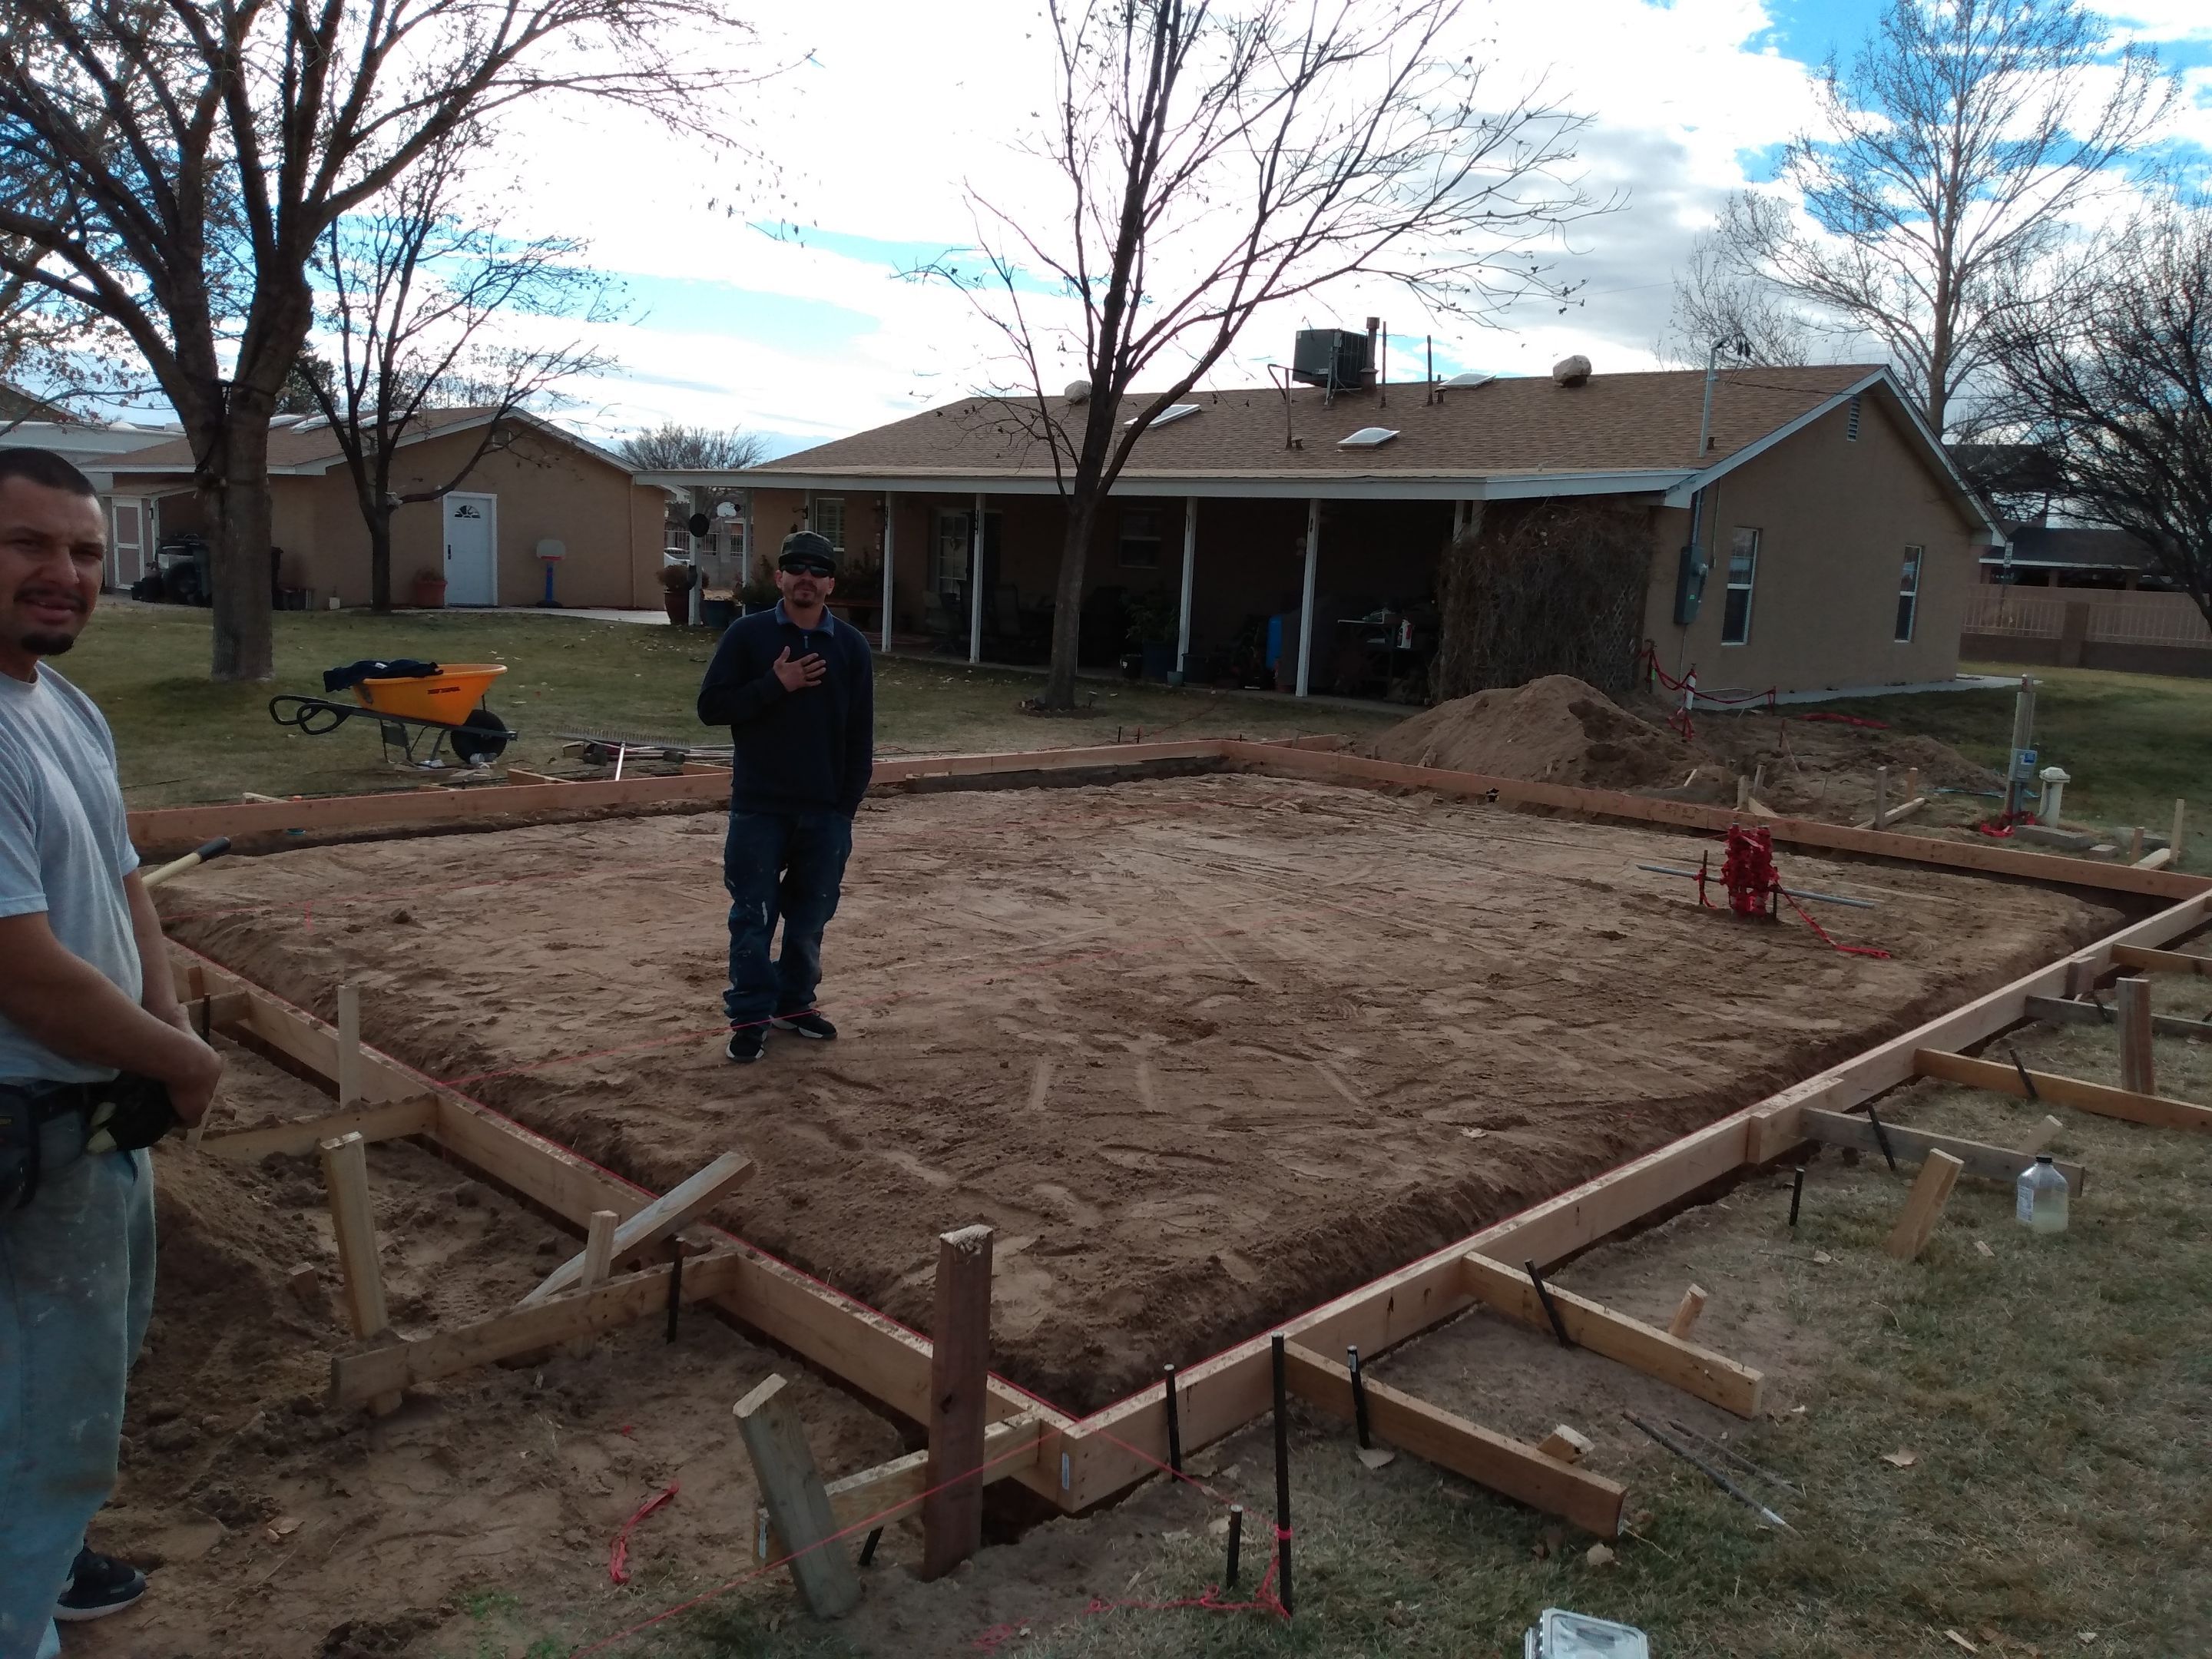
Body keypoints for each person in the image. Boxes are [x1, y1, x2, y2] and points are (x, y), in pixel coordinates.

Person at [0, 450, 224, 1657]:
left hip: (88, 1124)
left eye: (85, 552)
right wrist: (184, 1068)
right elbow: (24, 973)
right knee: (45, 1408)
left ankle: (40, 1565)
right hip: (26, 1128)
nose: (64, 574)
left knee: (66, 1388)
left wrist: (170, 1029)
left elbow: (127, 887)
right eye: (28, 545)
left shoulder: (61, 706)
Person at [697, 530, 875, 1064]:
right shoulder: (747, 637)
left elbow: (859, 735)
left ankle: (795, 1005)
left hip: (824, 813)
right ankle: (750, 1017)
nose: (807, 578)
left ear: (830, 584)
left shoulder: (850, 647)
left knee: (809, 918)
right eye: (796, 568)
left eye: (817, 571)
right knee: (753, 916)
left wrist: (844, 808)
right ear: (779, 578)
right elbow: (712, 707)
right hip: (760, 808)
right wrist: (778, 684)